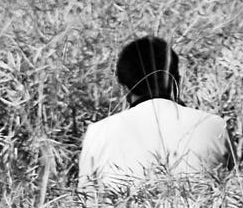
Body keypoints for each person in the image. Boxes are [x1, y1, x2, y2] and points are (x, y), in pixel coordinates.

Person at [78, 36, 231, 194]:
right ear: (176, 80)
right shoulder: (215, 125)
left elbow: (88, 207)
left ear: (124, 86)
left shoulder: (99, 132)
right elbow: (236, 201)